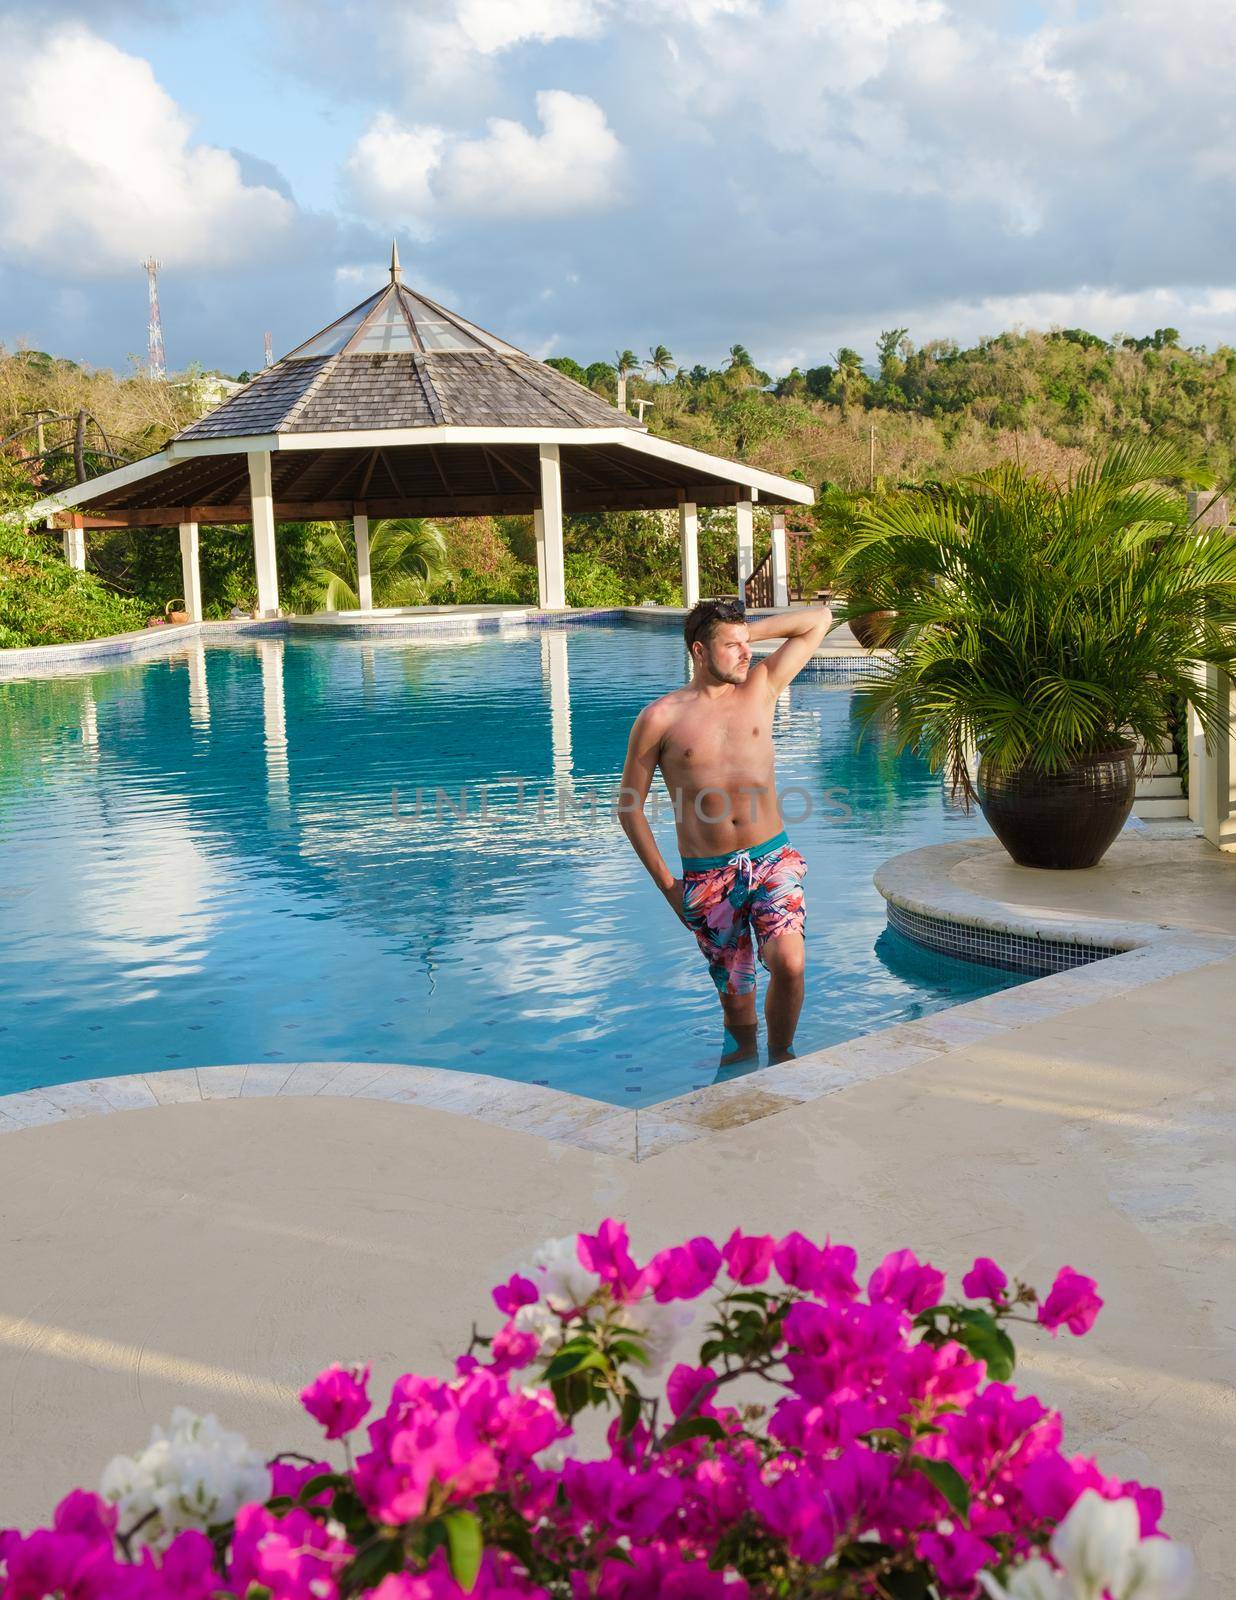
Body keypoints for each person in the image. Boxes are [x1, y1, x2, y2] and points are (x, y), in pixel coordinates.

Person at [619, 595, 834, 1064]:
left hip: (771, 859)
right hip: (708, 877)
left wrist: (742, 631)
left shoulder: (761, 687)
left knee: (791, 964)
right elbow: (629, 808)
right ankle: (741, 1086)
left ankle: (783, 1065)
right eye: (731, 646)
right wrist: (668, 887)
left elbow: (819, 619)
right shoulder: (660, 719)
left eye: (747, 643)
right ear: (698, 651)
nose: (746, 654)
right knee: (737, 1005)